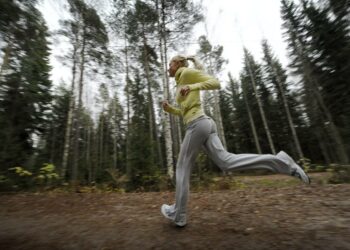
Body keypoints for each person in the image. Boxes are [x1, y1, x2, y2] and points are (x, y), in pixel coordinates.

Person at [160, 55, 310, 228]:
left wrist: (192, 85)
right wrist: (170, 109)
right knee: (226, 162)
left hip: (198, 124)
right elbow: (185, 112)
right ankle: (282, 163)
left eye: (170, 64)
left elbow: (215, 82)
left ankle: (178, 214)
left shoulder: (185, 73)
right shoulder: (180, 81)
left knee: (181, 168)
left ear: (178, 63)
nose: (168, 68)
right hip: (203, 124)